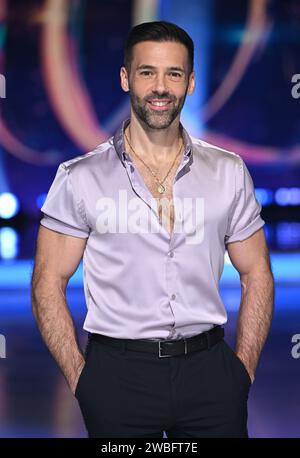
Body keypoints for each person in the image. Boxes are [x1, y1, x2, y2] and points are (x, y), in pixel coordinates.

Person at [31, 21, 274, 438]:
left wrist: (242, 371)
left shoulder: (229, 172)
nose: (160, 87)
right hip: (117, 377)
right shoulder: (80, 177)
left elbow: (257, 273)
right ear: (126, 78)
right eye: (147, 72)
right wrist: (82, 380)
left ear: (190, 82)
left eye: (173, 74)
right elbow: (47, 281)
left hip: (211, 374)